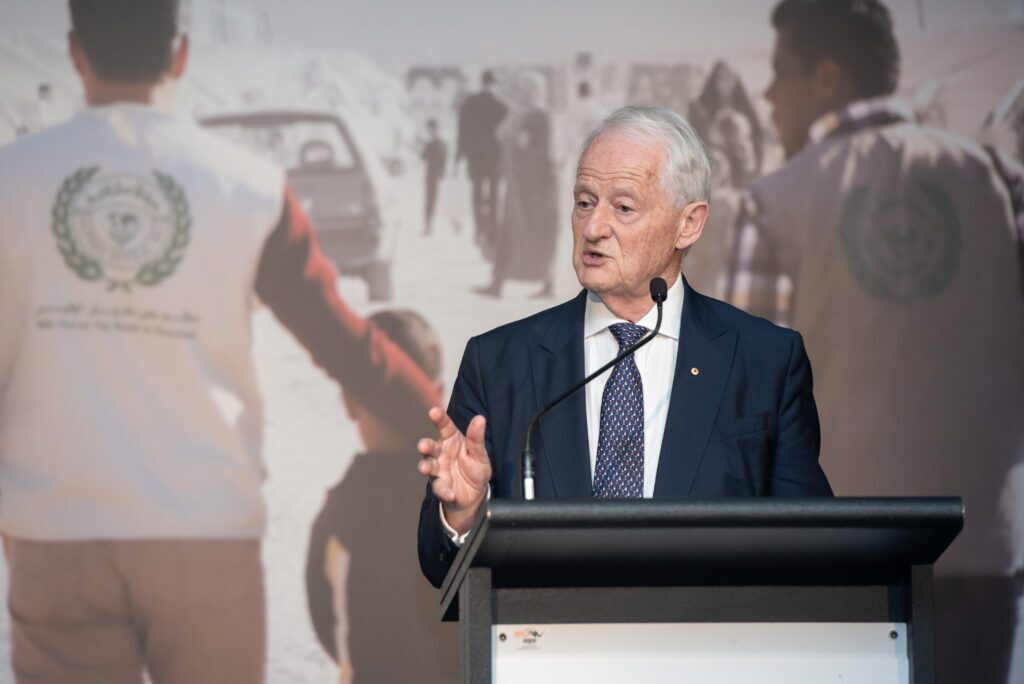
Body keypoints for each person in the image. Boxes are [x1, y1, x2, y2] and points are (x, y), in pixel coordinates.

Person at [0, 2, 441, 682]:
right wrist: (447, 422)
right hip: (203, 533)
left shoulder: (12, 180)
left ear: (74, 52)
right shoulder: (249, 189)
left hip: (58, 534)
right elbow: (344, 343)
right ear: (180, 55)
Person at [724, 1, 1024, 681]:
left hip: (836, 564)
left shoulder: (775, 204)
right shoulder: (1001, 182)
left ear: (826, 78)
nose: (768, 96)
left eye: (780, 74)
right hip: (983, 555)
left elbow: (747, 417)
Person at [417, 105, 833, 588]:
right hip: (551, 657)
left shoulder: (764, 362)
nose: (593, 228)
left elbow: (812, 554)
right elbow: (437, 565)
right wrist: (464, 515)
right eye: (584, 202)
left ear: (689, 225)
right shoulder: (499, 363)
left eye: (624, 208)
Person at [306, 310, 458, 684]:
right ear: (437, 393)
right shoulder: (468, 502)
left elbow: (328, 624)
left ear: (348, 402)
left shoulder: (341, 513)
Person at [474, 71, 559, 299]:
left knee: (538, 234)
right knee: (509, 233)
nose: (520, 94)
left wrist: (512, 137)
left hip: (536, 187)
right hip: (520, 185)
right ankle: (497, 282)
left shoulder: (539, 117)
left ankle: (546, 283)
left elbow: (530, 148)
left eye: (524, 89)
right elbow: (502, 135)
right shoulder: (523, 115)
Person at [455, 69, 508, 248]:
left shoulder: (470, 102)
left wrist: (459, 155)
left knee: (477, 192)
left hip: (475, 155)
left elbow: (461, 129)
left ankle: (478, 230)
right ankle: (492, 231)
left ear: (481, 82)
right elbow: (507, 133)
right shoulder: (501, 104)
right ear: (494, 83)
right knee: (493, 194)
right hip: (494, 156)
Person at [420, 118, 447, 235]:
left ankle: (430, 224)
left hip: (435, 176)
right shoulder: (436, 144)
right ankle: (428, 224)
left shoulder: (438, 144)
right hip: (431, 176)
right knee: (430, 201)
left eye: (431, 129)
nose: (430, 132)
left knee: (432, 201)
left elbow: (442, 160)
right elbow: (423, 157)